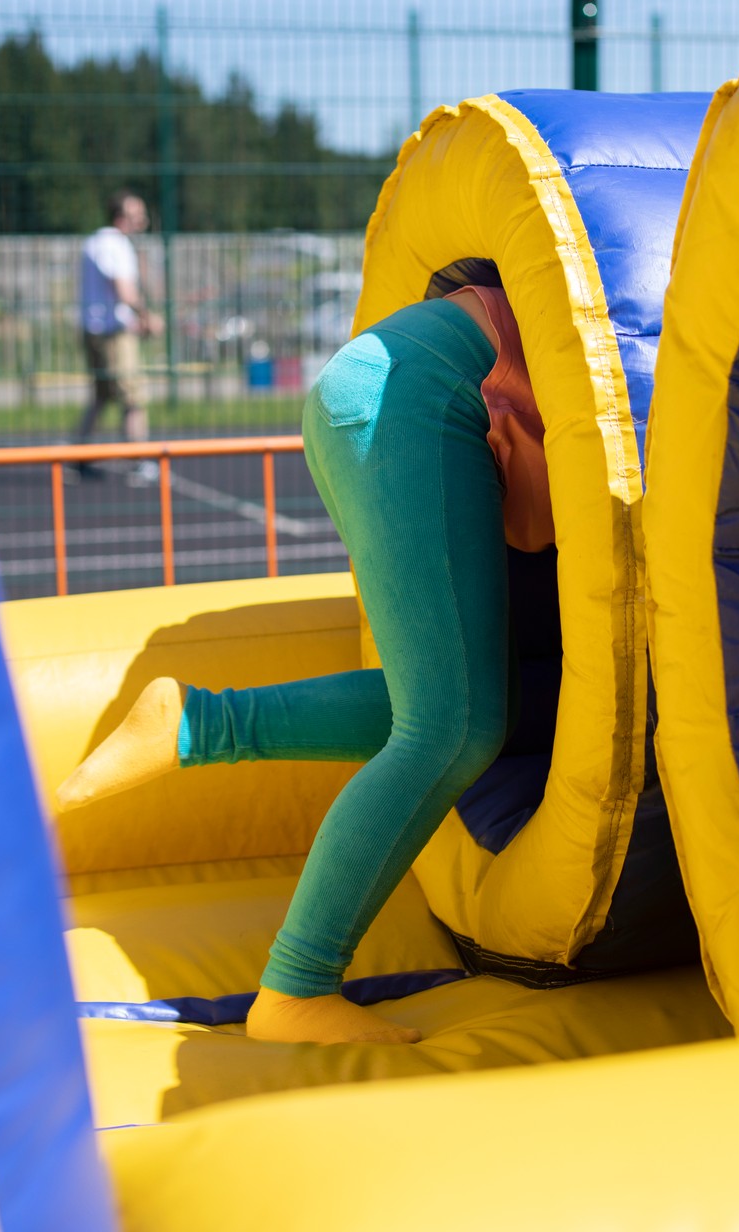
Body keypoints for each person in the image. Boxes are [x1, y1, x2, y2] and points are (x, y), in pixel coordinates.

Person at [57, 284, 551, 1045]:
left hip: (394, 383)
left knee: (456, 700)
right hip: (418, 397)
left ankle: (197, 724)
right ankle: (295, 989)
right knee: (453, 729)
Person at [75, 190, 161, 462]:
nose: (143, 221)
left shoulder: (96, 242)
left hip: (94, 330)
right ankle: (139, 461)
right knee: (133, 398)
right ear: (121, 217)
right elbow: (124, 292)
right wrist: (148, 317)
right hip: (113, 334)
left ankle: (78, 458)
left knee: (101, 397)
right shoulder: (115, 245)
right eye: (138, 215)